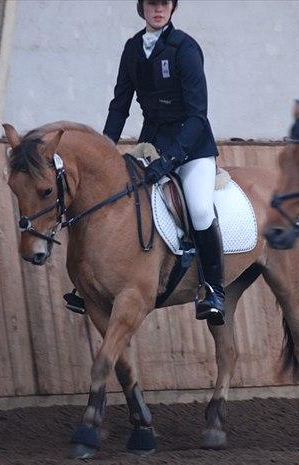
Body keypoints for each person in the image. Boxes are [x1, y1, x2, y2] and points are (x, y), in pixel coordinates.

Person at [102, 0, 225, 325]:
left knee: (199, 208)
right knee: (117, 197)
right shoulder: (132, 49)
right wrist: (103, 148)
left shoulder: (185, 48)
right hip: (152, 144)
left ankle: (213, 289)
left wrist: (170, 159)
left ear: (172, 7)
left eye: (165, 3)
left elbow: (198, 116)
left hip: (192, 147)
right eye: (153, 3)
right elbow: (120, 106)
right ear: (142, 8)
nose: (159, 9)